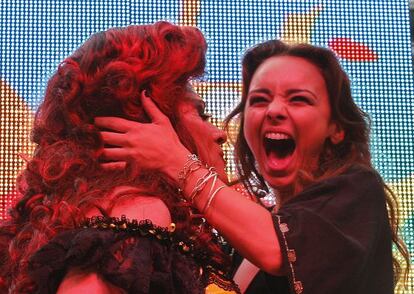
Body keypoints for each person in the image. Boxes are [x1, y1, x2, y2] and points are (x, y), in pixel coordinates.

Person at [94, 40, 410, 293]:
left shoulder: (358, 187)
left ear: (336, 128)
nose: (273, 110)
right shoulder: (241, 245)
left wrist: (175, 161)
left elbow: (277, 250)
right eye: (259, 99)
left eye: (298, 99)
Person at [0, 21, 240, 293]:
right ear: (153, 125)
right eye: (202, 115)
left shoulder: (104, 210)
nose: (219, 133)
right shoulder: (137, 209)